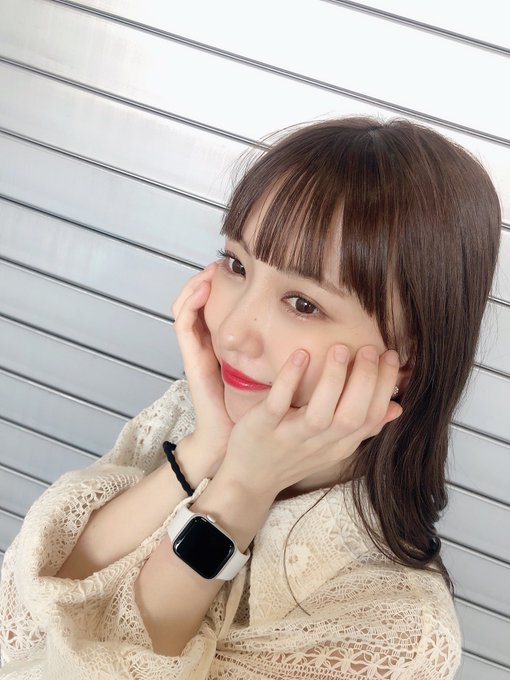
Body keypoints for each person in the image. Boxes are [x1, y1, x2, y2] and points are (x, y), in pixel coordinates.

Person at [0, 116, 501, 679]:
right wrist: (206, 447)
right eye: (237, 265)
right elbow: (22, 620)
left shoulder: (397, 634)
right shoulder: (192, 412)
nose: (233, 331)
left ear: (405, 355)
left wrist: (243, 489)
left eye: (303, 304)